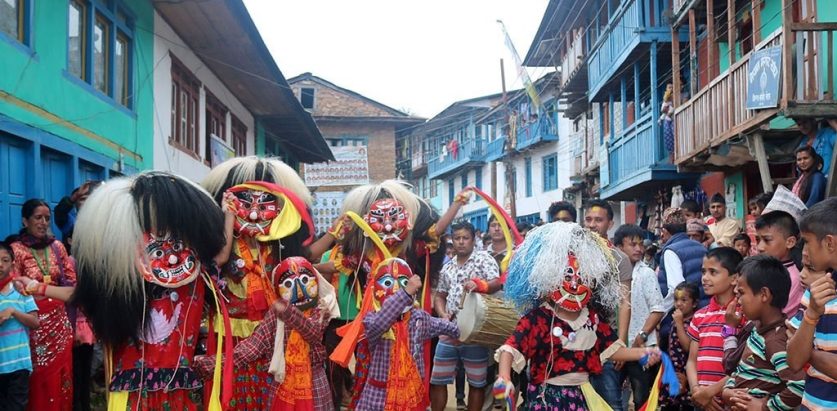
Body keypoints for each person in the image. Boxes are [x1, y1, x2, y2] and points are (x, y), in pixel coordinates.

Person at [72, 172, 230, 410]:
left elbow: (222, 255)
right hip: (134, 387)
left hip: (176, 384)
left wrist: (228, 213)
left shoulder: (194, 273)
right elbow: (83, 293)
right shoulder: (125, 279)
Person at [494, 222, 661, 410]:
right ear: (549, 279)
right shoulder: (538, 318)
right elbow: (510, 348)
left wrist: (643, 353)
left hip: (581, 398)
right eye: (567, 277)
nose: (574, 284)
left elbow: (611, 350)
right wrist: (504, 377)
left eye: (581, 278)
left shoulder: (592, 319)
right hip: (545, 399)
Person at [194, 257, 340, 410]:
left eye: (304, 280)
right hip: (281, 382)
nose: (299, 290)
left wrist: (287, 311)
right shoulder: (276, 313)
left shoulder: (323, 306)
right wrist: (213, 364)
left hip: (314, 383)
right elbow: (252, 348)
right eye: (289, 284)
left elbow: (313, 332)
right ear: (277, 288)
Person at [351, 259, 460, 410]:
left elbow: (446, 327)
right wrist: (405, 292)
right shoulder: (371, 319)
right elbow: (382, 322)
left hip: (410, 396)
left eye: (403, 283)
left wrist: (461, 330)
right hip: (379, 396)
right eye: (388, 283)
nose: (396, 288)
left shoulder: (419, 318)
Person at [8, 199, 76, 411]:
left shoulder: (57, 247)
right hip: (33, 322)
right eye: (38, 218)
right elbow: (13, 285)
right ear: (25, 220)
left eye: (47, 218)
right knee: (38, 376)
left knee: (62, 374)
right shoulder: (15, 250)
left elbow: (72, 280)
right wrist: (33, 290)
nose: (44, 222)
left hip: (59, 321)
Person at [431, 221, 502, 411]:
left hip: (475, 332)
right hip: (449, 330)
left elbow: (497, 282)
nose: (461, 242)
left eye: (465, 238)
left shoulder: (484, 259)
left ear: (473, 239)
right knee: (438, 379)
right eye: (457, 238)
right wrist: (442, 314)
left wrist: (482, 285)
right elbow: (439, 295)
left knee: (477, 383)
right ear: (451, 240)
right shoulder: (447, 267)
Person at [721, 256, 805, 410]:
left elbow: (798, 386)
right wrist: (728, 390)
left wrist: (765, 407)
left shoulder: (775, 340)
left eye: (741, 293)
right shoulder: (756, 330)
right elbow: (741, 369)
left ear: (764, 295)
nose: (737, 300)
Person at [787, 197, 837, 410]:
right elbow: (794, 360)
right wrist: (812, 315)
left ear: (829, 243)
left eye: (807, 241)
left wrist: (809, 352)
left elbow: (800, 353)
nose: (804, 251)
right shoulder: (817, 291)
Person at [584, 200, 633, 411]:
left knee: (610, 402)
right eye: (588, 219)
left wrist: (620, 342)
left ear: (610, 224)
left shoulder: (619, 259)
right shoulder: (572, 256)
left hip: (607, 341)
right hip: (574, 341)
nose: (592, 224)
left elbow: (625, 302)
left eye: (598, 220)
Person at [686, 247, 743, 411]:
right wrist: (697, 390)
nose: (705, 278)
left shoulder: (742, 316)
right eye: (703, 272)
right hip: (701, 400)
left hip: (729, 400)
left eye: (713, 272)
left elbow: (744, 365)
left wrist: (711, 392)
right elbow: (691, 361)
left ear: (734, 279)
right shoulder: (699, 316)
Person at [614, 224, 665, 406]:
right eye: (632, 245)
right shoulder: (613, 275)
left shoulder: (646, 273)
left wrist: (641, 335)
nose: (638, 249)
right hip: (617, 348)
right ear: (619, 247)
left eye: (640, 244)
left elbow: (658, 309)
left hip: (642, 346)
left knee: (641, 398)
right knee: (613, 397)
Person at [657, 208, 708, 356]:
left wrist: (659, 315)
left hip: (684, 321)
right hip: (702, 315)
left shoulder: (671, 251)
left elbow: (676, 288)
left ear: (665, 231)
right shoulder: (701, 247)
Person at [0, 241, 39, 411]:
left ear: (12, 263)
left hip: (19, 366)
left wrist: (13, 312)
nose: (0, 265)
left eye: (5, 260)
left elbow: (35, 322)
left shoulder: (22, 291)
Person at [754, 210, 804, 316]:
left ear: (790, 242)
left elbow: (775, 316)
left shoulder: (793, 279)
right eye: (758, 240)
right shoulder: (761, 270)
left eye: (767, 240)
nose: (760, 247)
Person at [664, 282, 698, 411]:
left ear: (694, 303)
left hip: (687, 372)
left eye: (684, 300)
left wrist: (679, 323)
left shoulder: (693, 322)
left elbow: (688, 347)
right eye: (676, 299)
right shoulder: (675, 320)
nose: (678, 304)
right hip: (674, 370)